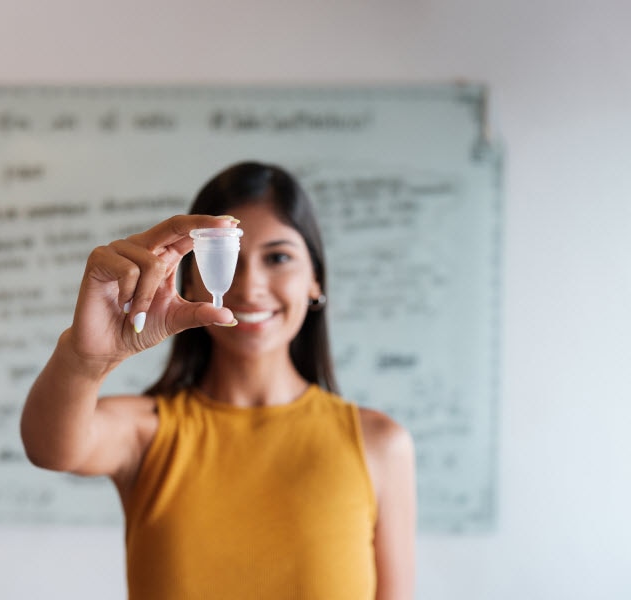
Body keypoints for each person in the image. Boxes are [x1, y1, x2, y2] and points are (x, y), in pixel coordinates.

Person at [21, 161, 416, 599]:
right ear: (190, 277)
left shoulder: (379, 445)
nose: (249, 286)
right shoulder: (147, 433)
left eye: (278, 257)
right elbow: (49, 449)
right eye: (229, 258)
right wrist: (84, 357)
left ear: (315, 278)